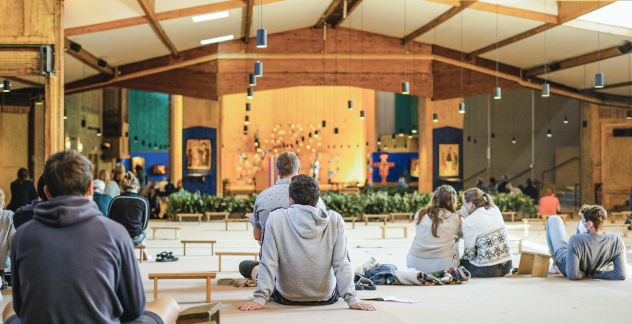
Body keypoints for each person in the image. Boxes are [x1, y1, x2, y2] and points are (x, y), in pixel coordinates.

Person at [5, 150, 180, 324]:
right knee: (168, 304)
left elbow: (20, 308)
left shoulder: (22, 236)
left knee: (9, 308)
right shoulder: (115, 233)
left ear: (46, 192)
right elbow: (133, 309)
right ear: (90, 188)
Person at [239, 175, 375, 312]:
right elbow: (342, 263)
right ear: (317, 199)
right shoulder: (335, 219)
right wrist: (352, 299)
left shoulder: (275, 218)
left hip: (287, 297)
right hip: (326, 298)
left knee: (245, 266)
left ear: (291, 200)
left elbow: (268, 262)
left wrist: (260, 299)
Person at [250, 151, 326, 245]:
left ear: (277, 171)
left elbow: (257, 236)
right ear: (299, 170)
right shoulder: (313, 197)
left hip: (272, 256)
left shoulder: (262, 197)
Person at [546, 205, 626, 280]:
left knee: (554, 219)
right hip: (592, 261)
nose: (581, 223)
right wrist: (596, 274)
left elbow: (573, 275)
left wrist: (585, 274)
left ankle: (555, 266)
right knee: (582, 226)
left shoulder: (575, 239)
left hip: (567, 264)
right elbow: (620, 274)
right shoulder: (617, 241)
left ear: (589, 224)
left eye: (583, 221)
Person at [407, 185, 462, 273]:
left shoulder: (420, 214)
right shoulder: (455, 218)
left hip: (414, 264)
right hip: (443, 266)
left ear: (434, 198)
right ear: (453, 201)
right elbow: (463, 235)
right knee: (455, 241)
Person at [460, 188, 513, 277]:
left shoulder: (468, 221)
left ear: (470, 204)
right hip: (507, 265)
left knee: (459, 264)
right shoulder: (495, 209)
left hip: (488, 270)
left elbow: (469, 254)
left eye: (463, 203)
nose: (463, 206)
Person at [108, 172, 151, 260]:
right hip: (136, 238)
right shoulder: (143, 201)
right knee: (142, 232)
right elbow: (144, 225)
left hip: (118, 238)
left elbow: (110, 221)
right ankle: (144, 254)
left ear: (122, 187)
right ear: (136, 187)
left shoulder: (115, 200)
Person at [0, 189, 15, 290]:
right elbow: (12, 241)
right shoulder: (9, 215)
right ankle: (2, 278)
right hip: (2, 261)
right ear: (3, 203)